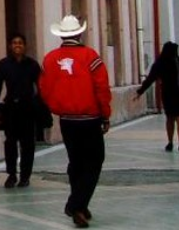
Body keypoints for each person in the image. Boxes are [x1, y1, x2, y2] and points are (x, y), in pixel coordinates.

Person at [39, 15, 111, 229]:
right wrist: (105, 114)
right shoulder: (91, 57)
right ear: (79, 33)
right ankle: (76, 204)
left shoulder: (50, 59)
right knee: (94, 162)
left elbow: (44, 88)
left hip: (67, 119)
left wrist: (57, 106)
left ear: (61, 34)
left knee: (76, 162)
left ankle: (81, 203)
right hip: (89, 118)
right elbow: (102, 88)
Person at [0, 33, 42, 188]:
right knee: (10, 143)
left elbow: (41, 87)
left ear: (25, 46)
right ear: (10, 46)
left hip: (27, 109)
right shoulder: (3, 65)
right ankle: (11, 174)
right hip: (10, 109)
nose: (17, 45)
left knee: (28, 145)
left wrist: (40, 106)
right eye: (14, 42)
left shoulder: (32, 65)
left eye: (20, 42)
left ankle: (25, 176)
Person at [134, 41, 179, 153]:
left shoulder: (160, 63)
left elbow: (150, 78)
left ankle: (170, 142)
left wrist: (140, 92)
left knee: (170, 118)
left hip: (168, 93)